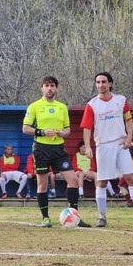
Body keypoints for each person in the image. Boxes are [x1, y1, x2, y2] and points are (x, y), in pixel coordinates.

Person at [80, 71, 133, 227]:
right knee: (101, 182)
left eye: (104, 82)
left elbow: (129, 119)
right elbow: (87, 127)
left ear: (110, 83)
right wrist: (87, 146)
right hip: (103, 146)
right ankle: (102, 216)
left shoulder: (121, 100)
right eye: (98, 82)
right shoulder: (92, 105)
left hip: (121, 144)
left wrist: (129, 137)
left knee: (131, 178)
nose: (101, 85)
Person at [23, 76, 91, 227]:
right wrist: (41, 132)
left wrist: (64, 133)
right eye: (46, 85)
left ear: (56, 88)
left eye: (52, 85)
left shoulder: (62, 107)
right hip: (41, 149)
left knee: (73, 180)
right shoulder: (34, 106)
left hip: (59, 149)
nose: (49, 88)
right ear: (42, 88)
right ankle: (45, 218)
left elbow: (68, 129)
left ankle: (75, 217)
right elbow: (25, 128)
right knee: (42, 184)